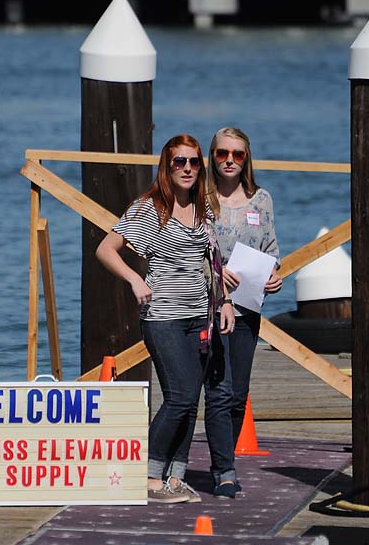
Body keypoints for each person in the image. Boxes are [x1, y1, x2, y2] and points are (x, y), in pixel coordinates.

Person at [96, 134, 235, 504]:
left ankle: (175, 478)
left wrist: (224, 302)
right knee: (181, 395)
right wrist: (134, 279)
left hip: (198, 317)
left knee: (190, 401)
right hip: (163, 317)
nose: (187, 168)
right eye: (179, 162)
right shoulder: (149, 208)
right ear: (167, 166)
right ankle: (148, 476)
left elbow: (213, 263)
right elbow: (105, 248)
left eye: (193, 162)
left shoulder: (203, 210)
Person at [207, 127, 282, 453]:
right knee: (215, 392)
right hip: (207, 308)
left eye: (237, 154)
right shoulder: (200, 198)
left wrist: (274, 277)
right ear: (212, 156)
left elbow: (270, 249)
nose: (229, 161)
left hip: (247, 309)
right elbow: (190, 250)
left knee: (238, 393)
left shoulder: (261, 199)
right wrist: (218, 276)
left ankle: (228, 460)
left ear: (246, 158)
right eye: (222, 153)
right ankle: (218, 465)